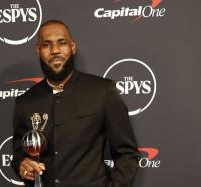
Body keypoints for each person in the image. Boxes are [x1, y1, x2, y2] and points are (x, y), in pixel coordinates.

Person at [11, 20, 139, 187]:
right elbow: (19, 154)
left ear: (73, 47)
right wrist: (22, 165)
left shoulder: (103, 91)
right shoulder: (25, 101)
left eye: (61, 43)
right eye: (46, 45)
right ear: (38, 51)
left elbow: (127, 154)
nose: (55, 50)